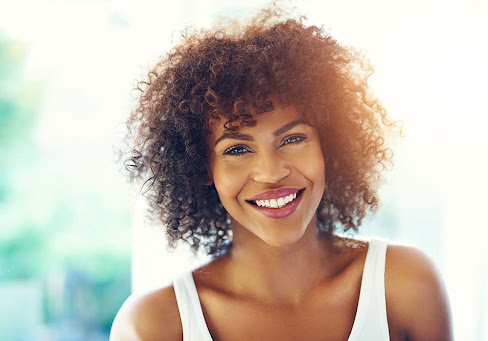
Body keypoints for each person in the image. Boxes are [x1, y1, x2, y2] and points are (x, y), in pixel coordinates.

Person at [110, 3, 453, 340]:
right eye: (237, 149)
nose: (271, 173)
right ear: (202, 167)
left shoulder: (406, 287)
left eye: (292, 139)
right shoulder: (153, 326)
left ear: (328, 144)